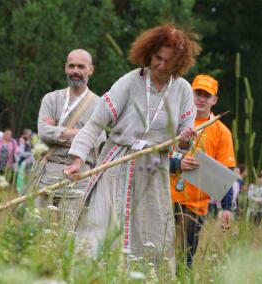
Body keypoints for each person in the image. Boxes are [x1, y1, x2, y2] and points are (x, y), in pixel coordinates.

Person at [64, 25, 200, 269]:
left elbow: (183, 141)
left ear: (178, 62)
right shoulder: (129, 81)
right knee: (100, 226)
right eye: (158, 58)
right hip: (117, 162)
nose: (160, 65)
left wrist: (185, 139)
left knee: (152, 236)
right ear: (149, 53)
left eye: (168, 61)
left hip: (154, 169)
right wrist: (77, 158)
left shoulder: (183, 90)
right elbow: (95, 123)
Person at [33, 49, 106, 229]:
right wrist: (81, 132)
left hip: (79, 178)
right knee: (37, 232)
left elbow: (97, 140)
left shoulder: (100, 105)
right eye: (71, 66)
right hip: (46, 173)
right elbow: (43, 131)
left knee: (68, 233)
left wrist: (57, 130)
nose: (75, 70)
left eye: (81, 66)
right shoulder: (51, 99)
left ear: (91, 70)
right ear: (66, 68)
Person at [170, 74, 235, 268]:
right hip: (163, 199)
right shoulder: (174, 122)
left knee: (183, 262)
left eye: (207, 95)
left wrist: (227, 208)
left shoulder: (222, 132)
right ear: (190, 93)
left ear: (214, 99)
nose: (201, 98)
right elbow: (153, 158)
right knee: (156, 257)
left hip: (194, 208)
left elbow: (225, 173)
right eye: (198, 93)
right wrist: (177, 165)